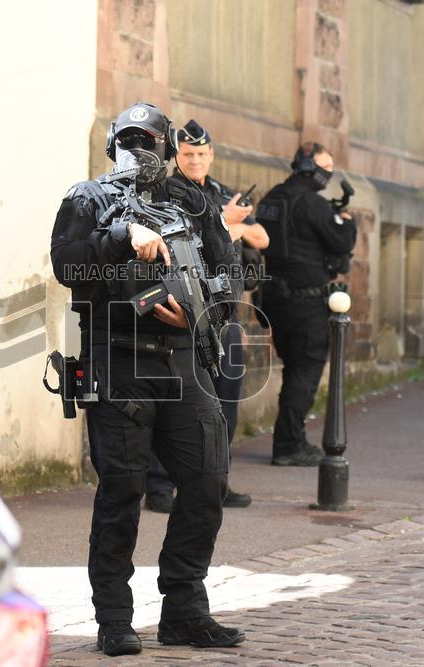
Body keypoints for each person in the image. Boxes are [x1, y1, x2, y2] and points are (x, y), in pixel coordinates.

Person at [50, 102, 245, 655]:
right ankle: (114, 618)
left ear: (166, 148)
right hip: (120, 361)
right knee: (124, 491)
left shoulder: (193, 199)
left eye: (149, 140)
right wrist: (121, 233)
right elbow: (68, 265)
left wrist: (205, 311)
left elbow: (228, 271)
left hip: (185, 359)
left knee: (208, 481)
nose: (139, 149)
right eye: (129, 139)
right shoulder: (86, 199)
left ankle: (185, 609)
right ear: (113, 144)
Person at [144, 119, 268, 512]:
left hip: (221, 312)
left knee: (224, 403)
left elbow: (261, 236)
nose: (195, 160)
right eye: (188, 154)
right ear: (175, 156)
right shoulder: (165, 193)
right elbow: (185, 242)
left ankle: (217, 480)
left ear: (211, 155)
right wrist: (228, 224)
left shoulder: (219, 194)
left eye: (201, 154)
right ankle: (161, 486)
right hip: (180, 310)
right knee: (172, 400)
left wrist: (231, 226)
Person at [256, 142, 357, 466]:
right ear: (310, 168)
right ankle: (288, 444)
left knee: (294, 369)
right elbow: (342, 241)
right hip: (306, 301)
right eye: (325, 167)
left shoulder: (272, 198)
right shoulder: (313, 204)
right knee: (305, 370)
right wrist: (346, 220)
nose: (328, 174)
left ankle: (288, 438)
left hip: (274, 299)